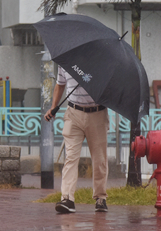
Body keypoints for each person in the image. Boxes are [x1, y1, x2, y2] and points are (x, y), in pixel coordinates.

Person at [45, 66, 109, 213]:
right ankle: (67, 198)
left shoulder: (99, 61)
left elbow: (108, 88)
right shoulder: (66, 61)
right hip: (73, 113)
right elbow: (60, 84)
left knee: (99, 159)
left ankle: (100, 198)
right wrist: (53, 107)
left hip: (97, 113)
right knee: (71, 157)